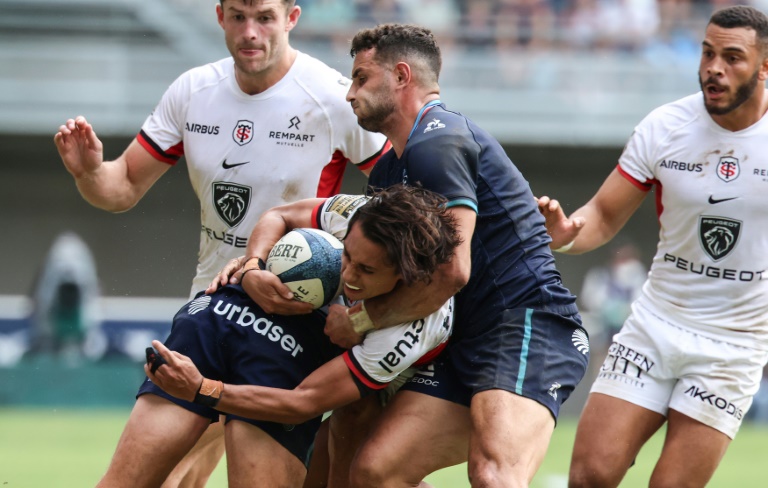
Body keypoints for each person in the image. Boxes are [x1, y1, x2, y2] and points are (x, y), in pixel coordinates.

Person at [53, 0, 388, 485]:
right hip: (211, 308)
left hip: (294, 323)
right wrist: (89, 174)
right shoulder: (193, 91)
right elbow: (121, 186)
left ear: (291, 18)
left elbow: (397, 214)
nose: (250, 32)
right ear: (219, 16)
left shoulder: (335, 98)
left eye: (265, 18)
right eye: (238, 17)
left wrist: (361, 310)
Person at [299, 23, 588, 487]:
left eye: (360, 79)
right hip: (461, 337)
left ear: (400, 75)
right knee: (375, 472)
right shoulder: (391, 167)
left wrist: (360, 322)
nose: (349, 94)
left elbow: (453, 271)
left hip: (523, 324)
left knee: (493, 475)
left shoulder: (438, 140)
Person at [537, 6, 768, 486]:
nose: (714, 68)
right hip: (656, 323)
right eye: (707, 53)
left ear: (764, 67)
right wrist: (568, 232)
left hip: (734, 344)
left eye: (732, 57)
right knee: (588, 477)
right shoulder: (665, 126)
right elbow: (601, 214)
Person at [95, 184, 459, 488]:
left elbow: (302, 402)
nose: (345, 274)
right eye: (346, 253)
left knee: (360, 438)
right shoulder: (359, 212)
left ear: (406, 278)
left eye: (366, 270)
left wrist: (201, 389)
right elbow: (279, 216)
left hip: (290, 361)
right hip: (217, 317)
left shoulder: (410, 328)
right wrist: (253, 265)